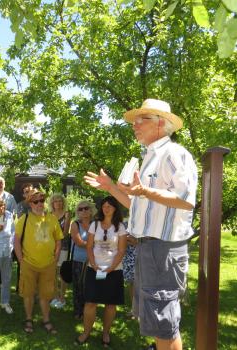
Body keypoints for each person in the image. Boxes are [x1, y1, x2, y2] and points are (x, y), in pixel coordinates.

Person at [84, 99, 198, 350]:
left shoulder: (175, 154)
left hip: (164, 249)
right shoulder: (149, 158)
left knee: (164, 320)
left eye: (141, 120)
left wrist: (145, 190)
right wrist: (110, 187)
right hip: (149, 248)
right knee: (158, 320)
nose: (134, 125)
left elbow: (186, 201)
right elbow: (136, 204)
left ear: (160, 123)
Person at [75, 196, 127, 347]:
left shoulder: (120, 227)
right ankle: (86, 332)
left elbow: (122, 250)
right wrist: (93, 263)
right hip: (95, 269)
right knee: (90, 302)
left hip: (114, 270)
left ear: (115, 208)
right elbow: (89, 246)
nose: (106, 208)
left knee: (110, 304)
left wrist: (111, 267)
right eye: (104, 206)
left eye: (109, 206)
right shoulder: (95, 225)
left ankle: (106, 333)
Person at [14, 188, 63, 334]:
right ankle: (29, 319)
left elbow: (58, 240)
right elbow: (16, 241)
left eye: (42, 200)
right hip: (29, 263)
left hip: (48, 264)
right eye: (36, 201)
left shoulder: (52, 218)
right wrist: (21, 260)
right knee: (28, 294)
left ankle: (46, 319)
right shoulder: (24, 219)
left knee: (46, 294)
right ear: (30, 203)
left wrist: (55, 259)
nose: (39, 203)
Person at [70, 200, 96, 320]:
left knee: (94, 286)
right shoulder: (75, 224)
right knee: (78, 286)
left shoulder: (97, 224)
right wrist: (94, 243)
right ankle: (78, 311)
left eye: (86, 208)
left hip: (95, 262)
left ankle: (90, 311)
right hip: (79, 260)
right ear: (77, 212)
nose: (84, 211)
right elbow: (79, 242)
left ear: (91, 210)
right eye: (80, 209)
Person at [49, 193, 71, 309]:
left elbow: (65, 232)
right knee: (53, 272)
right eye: (56, 201)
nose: (58, 203)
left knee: (62, 272)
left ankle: (62, 297)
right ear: (52, 203)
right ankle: (55, 296)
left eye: (60, 201)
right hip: (51, 247)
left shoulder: (67, 214)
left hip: (63, 246)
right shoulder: (49, 215)